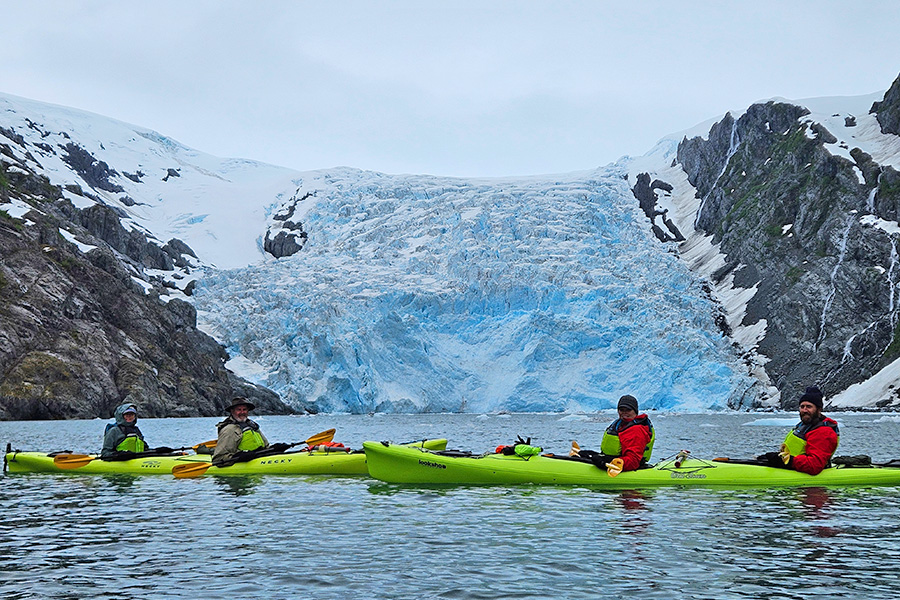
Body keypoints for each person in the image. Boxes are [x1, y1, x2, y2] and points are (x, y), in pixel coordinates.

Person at [757, 386, 839, 475]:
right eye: (802, 406)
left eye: (809, 407)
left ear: (819, 409)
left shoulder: (823, 432)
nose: (804, 410)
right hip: (793, 468)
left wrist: (787, 460)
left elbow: (814, 465)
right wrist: (775, 458)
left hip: (804, 473)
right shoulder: (805, 426)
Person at [575, 394, 655, 472]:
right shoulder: (621, 425)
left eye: (628, 410)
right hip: (617, 461)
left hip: (626, 466)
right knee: (585, 455)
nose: (624, 413)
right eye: (621, 410)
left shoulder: (637, 430)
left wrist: (608, 462)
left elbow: (633, 461)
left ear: (635, 411)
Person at [212, 397, 271, 467]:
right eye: (239, 410)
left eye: (244, 409)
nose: (242, 412)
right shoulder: (229, 430)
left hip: (258, 458)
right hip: (240, 464)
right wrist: (239, 457)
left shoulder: (252, 426)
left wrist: (275, 449)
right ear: (232, 411)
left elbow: (266, 447)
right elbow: (218, 459)